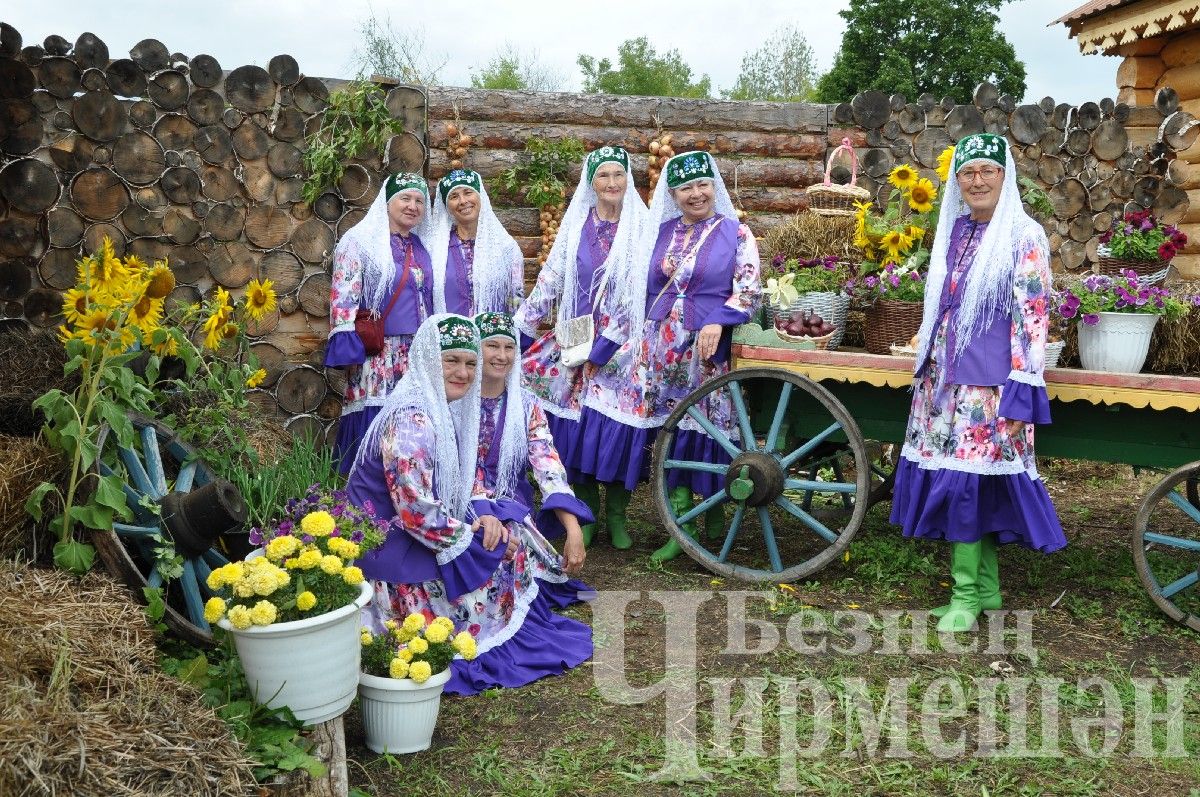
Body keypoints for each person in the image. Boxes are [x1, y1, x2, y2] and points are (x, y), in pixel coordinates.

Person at [347, 314, 592, 696]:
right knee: (493, 565)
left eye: (469, 363)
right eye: (452, 361)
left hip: (420, 526)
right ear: (428, 358)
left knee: (505, 551)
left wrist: (483, 523)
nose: (464, 372)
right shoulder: (413, 420)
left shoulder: (442, 407)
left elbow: (461, 481)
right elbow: (414, 510)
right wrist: (472, 536)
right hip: (389, 542)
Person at [890, 133, 1066, 633]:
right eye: (968, 173)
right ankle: (986, 588)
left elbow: (1033, 314)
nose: (978, 180)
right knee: (967, 480)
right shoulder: (956, 231)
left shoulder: (1022, 235)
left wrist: (1021, 383)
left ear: (1005, 176)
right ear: (957, 182)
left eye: (988, 170)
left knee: (970, 484)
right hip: (944, 378)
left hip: (989, 384)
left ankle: (965, 595)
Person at [572, 150, 762, 562]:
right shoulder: (657, 235)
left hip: (704, 352)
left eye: (703, 185)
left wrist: (719, 320)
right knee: (668, 437)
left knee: (700, 432)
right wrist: (601, 350)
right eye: (685, 189)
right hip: (656, 352)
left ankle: (706, 517)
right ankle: (682, 523)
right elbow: (630, 298)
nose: (696, 195)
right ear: (672, 195)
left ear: (715, 186)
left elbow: (749, 289)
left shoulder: (737, 233)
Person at [514, 146, 647, 548]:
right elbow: (551, 280)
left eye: (618, 176)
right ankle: (584, 510)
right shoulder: (576, 226)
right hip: (574, 336)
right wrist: (519, 335)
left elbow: (639, 294)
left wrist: (604, 348)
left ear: (628, 181)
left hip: (623, 345)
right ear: (591, 184)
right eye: (603, 176)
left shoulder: (641, 229)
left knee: (619, 427)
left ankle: (619, 514)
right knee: (576, 424)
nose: (611, 184)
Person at [472, 310, 589, 608]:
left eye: (509, 347)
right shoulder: (457, 401)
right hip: (462, 507)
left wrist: (573, 529)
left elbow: (547, 465)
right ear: (476, 348)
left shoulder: (526, 406)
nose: (502, 355)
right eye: (492, 346)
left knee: (510, 547)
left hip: (510, 507)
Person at [325, 172, 434, 473]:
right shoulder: (359, 241)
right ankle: (364, 498)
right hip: (378, 353)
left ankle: (408, 488)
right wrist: (348, 349)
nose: (412, 206)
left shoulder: (422, 247)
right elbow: (344, 294)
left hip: (415, 352)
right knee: (374, 416)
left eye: (419, 201)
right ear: (387, 201)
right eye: (405, 198)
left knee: (411, 420)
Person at [428, 168, 525, 316]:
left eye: (468, 193)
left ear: (480, 196)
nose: (463, 201)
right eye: (454, 196)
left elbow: (516, 299)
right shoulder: (436, 250)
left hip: (493, 337)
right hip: (449, 337)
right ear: (447, 207)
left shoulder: (506, 248)